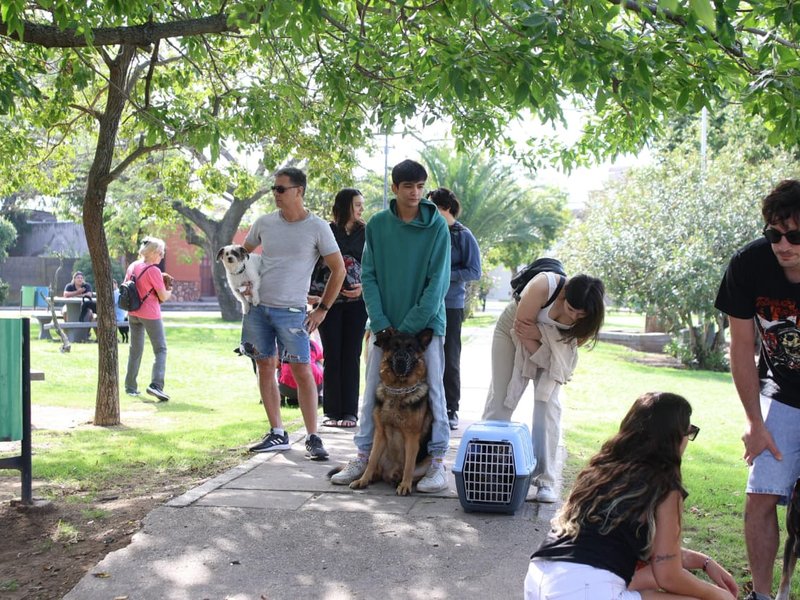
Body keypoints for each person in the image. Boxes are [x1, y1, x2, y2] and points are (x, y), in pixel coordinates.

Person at [525, 391, 739, 600]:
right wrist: (718, 595)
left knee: (645, 578)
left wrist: (703, 561)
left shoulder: (600, 468)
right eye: (688, 431)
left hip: (540, 578)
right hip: (586, 587)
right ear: (674, 438)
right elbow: (668, 576)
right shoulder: (664, 486)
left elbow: (661, 557)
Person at [330, 159, 451, 492]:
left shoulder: (436, 226)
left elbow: (437, 283)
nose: (415, 193)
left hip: (425, 328)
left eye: (420, 186)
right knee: (371, 393)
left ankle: (438, 462)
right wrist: (382, 323)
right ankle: (362, 455)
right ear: (394, 188)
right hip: (383, 328)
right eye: (408, 186)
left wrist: (408, 329)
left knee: (436, 394)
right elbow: (367, 275)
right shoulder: (380, 225)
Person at [714, 178, 800, 600]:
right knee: (760, 494)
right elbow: (742, 345)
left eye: (794, 235)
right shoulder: (749, 264)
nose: (782, 244)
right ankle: (763, 597)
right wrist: (754, 421)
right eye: (774, 233)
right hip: (781, 396)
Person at [241, 166, 345, 461]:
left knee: (302, 371)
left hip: (293, 311)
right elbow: (242, 255)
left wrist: (323, 308)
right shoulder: (264, 223)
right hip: (258, 309)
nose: (275, 194)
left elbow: (338, 269)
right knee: (265, 367)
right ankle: (277, 433)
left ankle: (313, 437)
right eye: (274, 188)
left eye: (281, 189)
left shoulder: (317, 227)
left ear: (298, 191)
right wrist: (243, 284)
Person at [482, 270, 605, 503]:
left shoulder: (588, 317)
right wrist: (542, 339)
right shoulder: (543, 286)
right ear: (564, 295)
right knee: (502, 399)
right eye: (571, 310)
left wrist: (541, 335)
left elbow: (568, 347)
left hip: (552, 350)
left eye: (582, 314)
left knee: (547, 405)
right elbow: (521, 329)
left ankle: (545, 480)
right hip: (513, 332)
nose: (576, 317)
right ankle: (487, 468)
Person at [311, 188, 369, 428]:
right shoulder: (327, 230)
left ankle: (350, 412)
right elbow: (313, 263)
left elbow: (376, 267)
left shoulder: (367, 233)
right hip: (329, 303)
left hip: (357, 304)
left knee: (352, 355)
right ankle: (331, 411)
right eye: (357, 204)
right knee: (333, 355)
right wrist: (313, 294)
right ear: (345, 206)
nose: (361, 209)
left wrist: (363, 289)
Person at [427, 187, 481, 430]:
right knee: (426, 357)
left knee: (450, 357)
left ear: (446, 208)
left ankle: (451, 409)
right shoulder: (428, 232)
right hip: (426, 304)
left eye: (433, 208)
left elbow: (474, 271)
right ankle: (428, 407)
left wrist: (445, 276)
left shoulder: (463, 236)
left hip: (450, 305)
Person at [124, 237, 171, 401]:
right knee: (161, 349)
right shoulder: (153, 270)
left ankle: (130, 387)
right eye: (160, 253)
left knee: (135, 350)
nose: (162, 256)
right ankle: (156, 386)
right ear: (152, 253)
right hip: (150, 314)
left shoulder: (132, 266)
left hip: (133, 313)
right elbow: (163, 296)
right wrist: (169, 289)